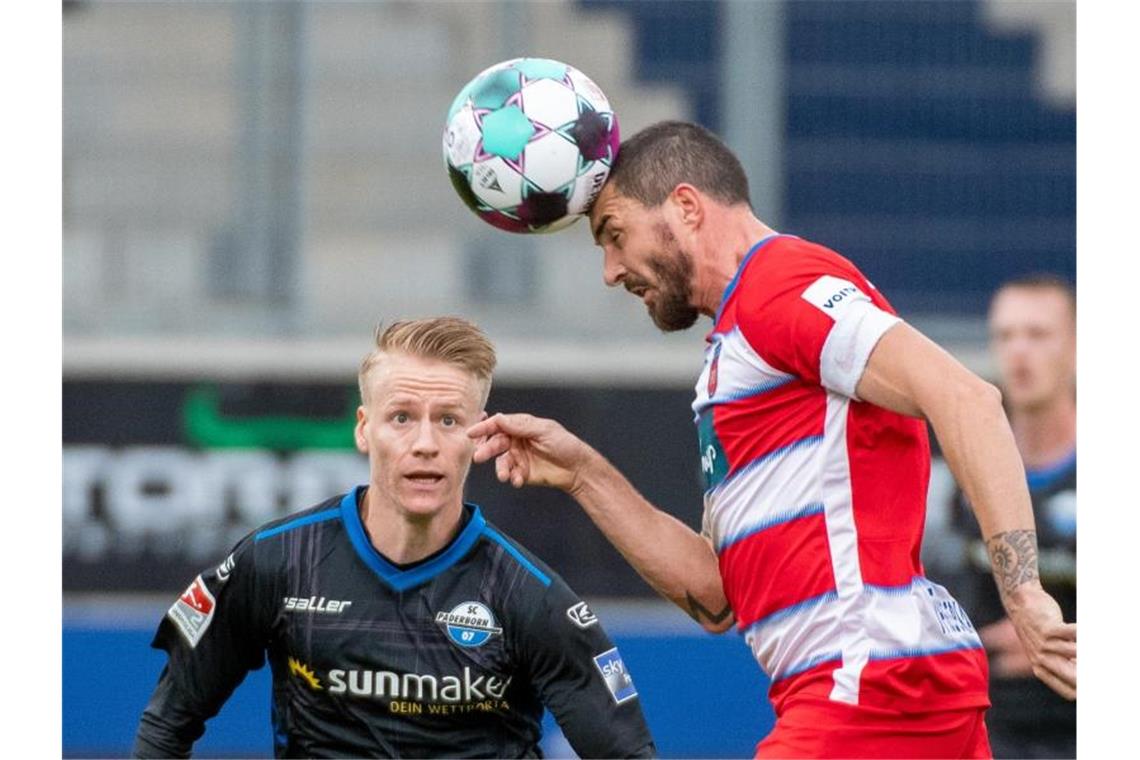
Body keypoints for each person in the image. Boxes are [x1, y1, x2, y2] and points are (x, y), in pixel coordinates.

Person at [467, 121, 1076, 758]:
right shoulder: (733, 349)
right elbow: (717, 598)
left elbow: (967, 399)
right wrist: (583, 473)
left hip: (868, 680)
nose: (611, 271)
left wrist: (1024, 593)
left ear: (686, 207)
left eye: (615, 236)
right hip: (876, 683)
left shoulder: (777, 285)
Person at [132, 317, 656, 759]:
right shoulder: (277, 562)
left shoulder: (529, 597)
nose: (424, 443)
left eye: (449, 420)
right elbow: (165, 727)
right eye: (401, 417)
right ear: (364, 428)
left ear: (479, 437)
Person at [944, 275, 1076, 758]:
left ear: (1078, 345)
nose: (1019, 351)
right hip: (991, 729)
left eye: (1038, 335)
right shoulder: (963, 473)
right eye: (1006, 335)